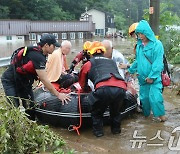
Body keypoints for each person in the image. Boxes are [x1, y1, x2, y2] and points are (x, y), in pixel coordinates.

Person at [1, 34, 71, 120]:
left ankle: (31, 124)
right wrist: (58, 94)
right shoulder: (37, 56)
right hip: (10, 81)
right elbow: (44, 79)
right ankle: (13, 128)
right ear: (46, 45)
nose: (55, 48)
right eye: (53, 46)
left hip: (24, 82)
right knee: (14, 107)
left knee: (30, 106)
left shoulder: (43, 54)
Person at [78, 41, 127, 137]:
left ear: (91, 53)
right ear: (103, 52)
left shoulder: (88, 64)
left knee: (97, 112)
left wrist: (86, 91)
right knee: (116, 113)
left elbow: (82, 81)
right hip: (121, 89)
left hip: (103, 89)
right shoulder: (112, 62)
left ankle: (99, 134)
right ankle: (116, 132)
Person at [121, 20, 166, 122]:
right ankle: (147, 121)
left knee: (156, 99)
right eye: (138, 34)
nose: (140, 36)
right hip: (142, 79)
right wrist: (131, 70)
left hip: (153, 79)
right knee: (145, 101)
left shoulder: (157, 45)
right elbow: (138, 60)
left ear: (147, 32)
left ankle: (162, 119)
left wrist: (152, 76)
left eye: (142, 33)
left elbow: (158, 63)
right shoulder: (139, 46)